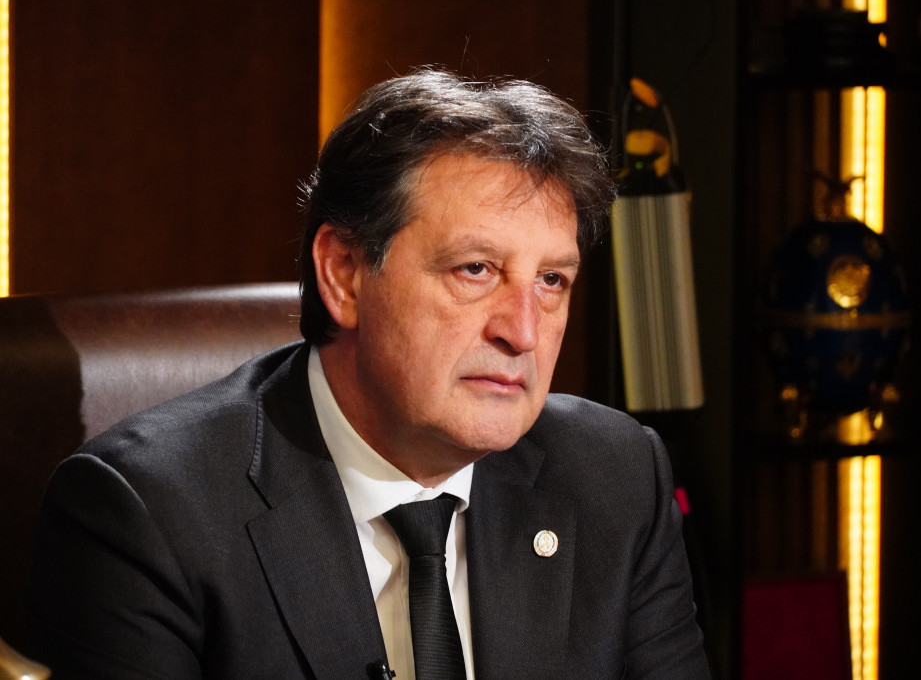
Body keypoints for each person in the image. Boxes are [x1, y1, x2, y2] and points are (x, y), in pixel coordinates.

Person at [28, 69, 710, 679]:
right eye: (475, 269)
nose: (523, 332)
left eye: (551, 280)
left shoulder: (614, 477)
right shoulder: (150, 514)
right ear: (344, 273)